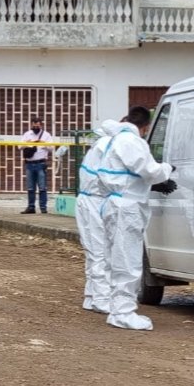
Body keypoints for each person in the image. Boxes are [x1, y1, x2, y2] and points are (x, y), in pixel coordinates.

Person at [97, 106, 176, 331]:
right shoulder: (131, 141)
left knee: (117, 257)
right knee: (127, 259)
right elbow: (148, 170)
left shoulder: (116, 140)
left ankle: (117, 309)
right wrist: (167, 169)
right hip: (127, 206)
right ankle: (123, 312)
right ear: (146, 127)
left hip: (115, 203)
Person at [75, 119, 120, 314]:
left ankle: (91, 296)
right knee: (101, 251)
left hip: (86, 201)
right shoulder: (106, 146)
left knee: (92, 252)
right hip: (95, 201)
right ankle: (101, 299)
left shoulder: (95, 147)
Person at [19, 116, 53, 214]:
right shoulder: (27, 134)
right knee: (30, 188)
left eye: (38, 125)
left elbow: (51, 148)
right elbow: (19, 146)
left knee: (42, 187)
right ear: (31, 125)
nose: (36, 127)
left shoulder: (46, 135)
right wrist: (28, 143)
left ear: (41, 125)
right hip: (29, 164)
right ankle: (31, 207)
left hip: (40, 164)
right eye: (34, 125)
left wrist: (43, 143)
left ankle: (43, 208)